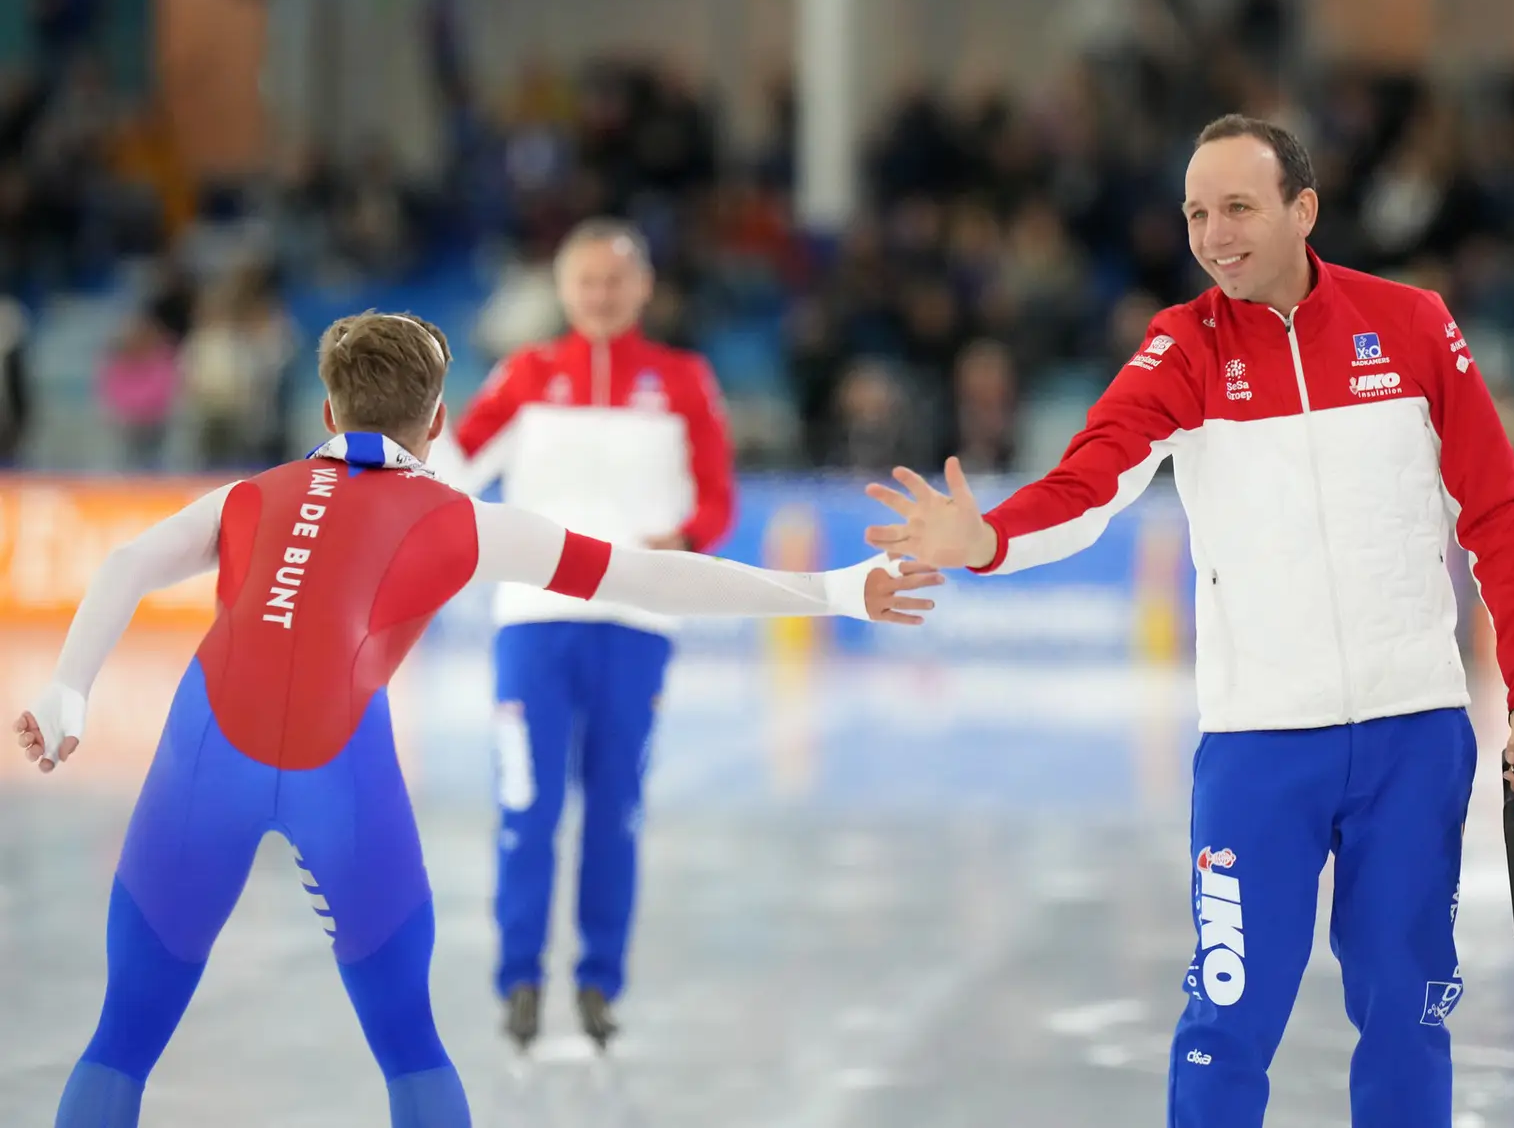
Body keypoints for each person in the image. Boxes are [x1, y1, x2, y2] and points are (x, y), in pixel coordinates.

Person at [12, 311, 941, 1128]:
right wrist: (832, 590)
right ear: (440, 419)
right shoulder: (461, 520)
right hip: (345, 775)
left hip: (201, 758)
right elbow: (649, 574)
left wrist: (69, 691)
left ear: (327, 413)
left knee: (123, 1038)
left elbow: (128, 561)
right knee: (410, 1048)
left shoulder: (252, 495)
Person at [863, 115, 1514, 1128]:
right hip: (1259, 750)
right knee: (1227, 1018)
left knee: (1408, 1013)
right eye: (1196, 212)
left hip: (1415, 736)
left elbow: (1496, 513)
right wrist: (988, 539)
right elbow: (1088, 479)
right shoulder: (1181, 347)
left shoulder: (1412, 325)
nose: (1213, 233)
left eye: (1237, 206)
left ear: (1302, 208)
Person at [436, 218, 736, 1051]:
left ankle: (600, 980)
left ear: (642, 289)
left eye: (617, 282)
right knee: (527, 807)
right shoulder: (526, 375)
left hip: (636, 623)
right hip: (534, 624)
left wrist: (685, 537)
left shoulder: (683, 380)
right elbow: (453, 470)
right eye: (587, 283)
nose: (602, 297)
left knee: (616, 812)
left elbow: (717, 497)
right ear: (563, 291)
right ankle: (521, 979)